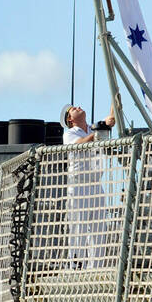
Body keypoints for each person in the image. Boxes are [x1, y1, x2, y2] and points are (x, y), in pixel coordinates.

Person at [60, 104, 114, 268]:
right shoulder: (69, 134)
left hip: (95, 185)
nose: (78, 107)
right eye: (73, 109)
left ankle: (95, 268)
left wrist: (114, 104)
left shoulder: (92, 129)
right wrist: (99, 130)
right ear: (70, 119)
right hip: (78, 186)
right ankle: (76, 268)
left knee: (99, 229)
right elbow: (81, 143)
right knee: (79, 228)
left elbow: (110, 120)